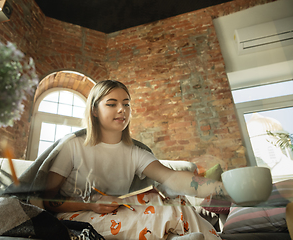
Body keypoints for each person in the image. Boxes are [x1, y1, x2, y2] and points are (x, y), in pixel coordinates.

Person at [43, 80, 229, 240]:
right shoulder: (72, 146)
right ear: (94, 110)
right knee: (168, 214)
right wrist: (91, 204)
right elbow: (47, 199)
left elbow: (171, 177)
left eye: (126, 104)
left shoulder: (134, 152)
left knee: (176, 202)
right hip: (74, 218)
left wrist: (220, 188)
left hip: (116, 212)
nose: (121, 110)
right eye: (111, 104)